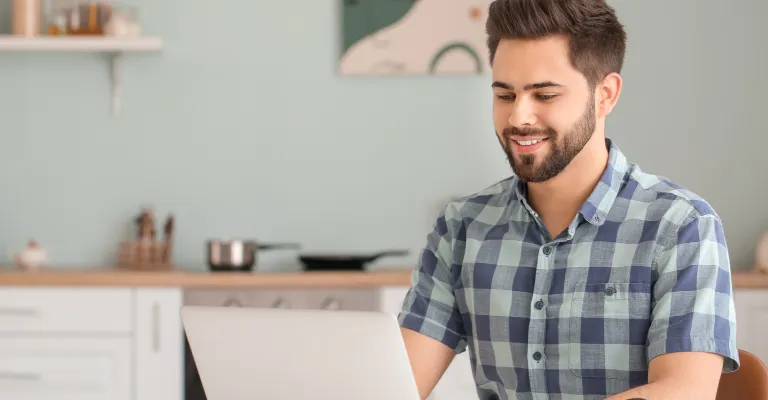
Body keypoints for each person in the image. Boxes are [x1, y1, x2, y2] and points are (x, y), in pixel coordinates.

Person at [397, 0, 740, 399]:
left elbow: (683, 392)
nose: (518, 118)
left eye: (544, 95)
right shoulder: (462, 228)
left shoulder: (681, 225)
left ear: (605, 95)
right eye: (505, 96)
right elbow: (395, 385)